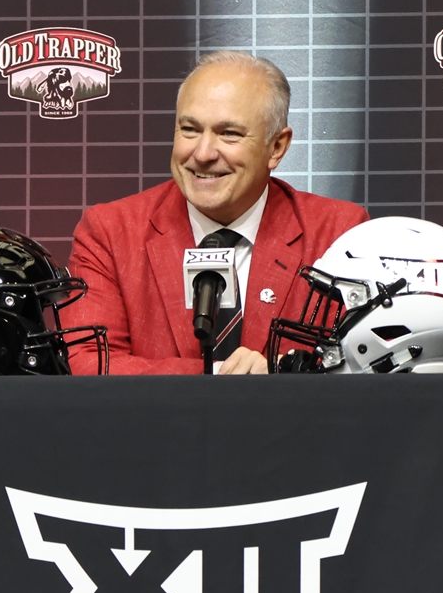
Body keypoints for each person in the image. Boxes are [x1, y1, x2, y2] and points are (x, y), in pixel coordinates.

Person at [62, 50, 369, 375]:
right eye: (190, 129)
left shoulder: (340, 233)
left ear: (276, 147)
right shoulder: (111, 232)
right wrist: (222, 375)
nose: (203, 153)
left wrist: (282, 378)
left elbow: (366, 364)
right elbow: (90, 361)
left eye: (229, 134)